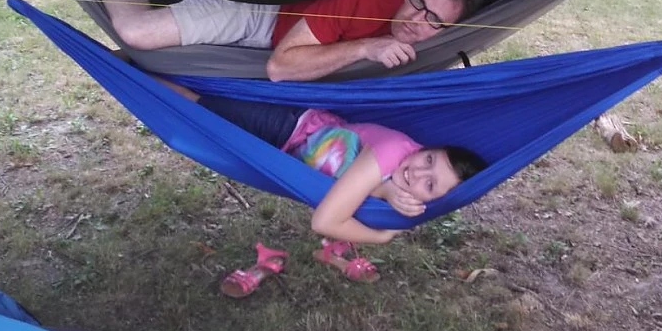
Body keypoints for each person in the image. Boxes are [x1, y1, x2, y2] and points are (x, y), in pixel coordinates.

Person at [162, 82, 487, 288]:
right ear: (425, 148)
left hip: (285, 156)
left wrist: (384, 191)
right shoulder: (394, 151)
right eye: (428, 159)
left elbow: (356, 193)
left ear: (432, 200)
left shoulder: (398, 190)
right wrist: (380, 236)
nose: (417, 173)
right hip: (289, 126)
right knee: (197, 106)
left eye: (430, 184)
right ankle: (139, 78)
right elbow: (325, 222)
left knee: (203, 119)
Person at [81, 0, 484, 81]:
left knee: (159, 65)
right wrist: (366, 47)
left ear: (446, 32)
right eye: (417, 1)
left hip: (285, 39)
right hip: (262, 12)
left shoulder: (434, 46)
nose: (415, 19)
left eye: (434, 20)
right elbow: (280, 67)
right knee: (137, 33)